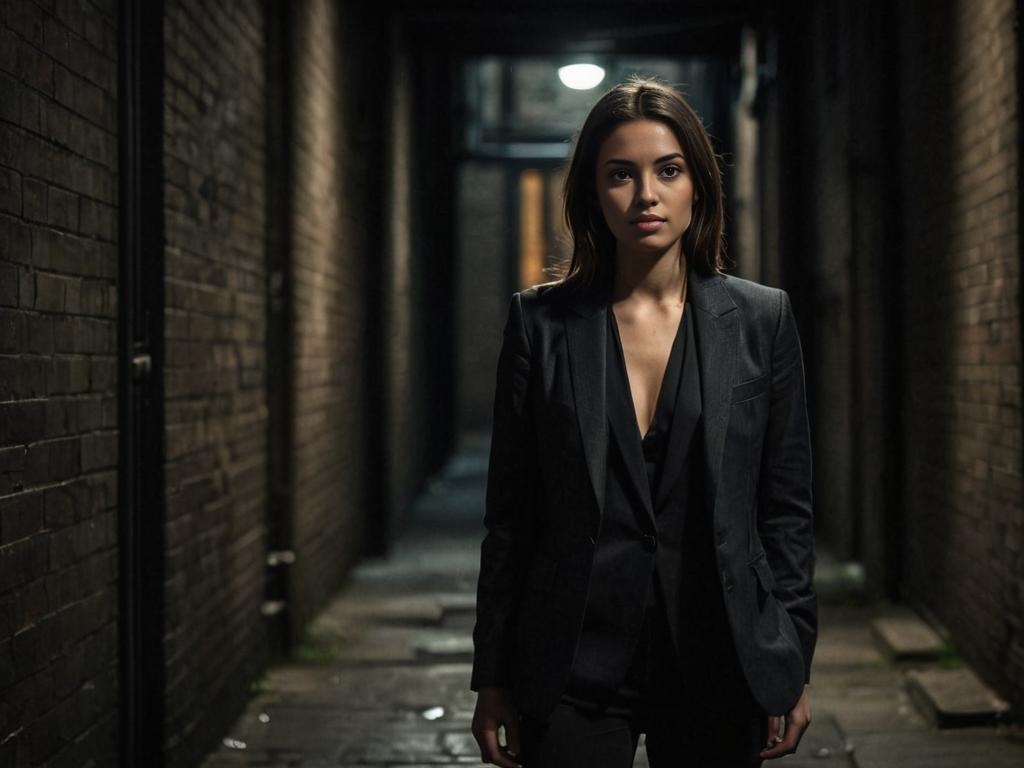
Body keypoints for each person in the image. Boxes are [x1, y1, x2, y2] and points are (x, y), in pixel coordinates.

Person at [470, 77, 816, 768]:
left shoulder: (760, 320)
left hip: (718, 657)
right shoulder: (541, 325)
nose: (646, 195)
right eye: (620, 175)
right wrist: (493, 675)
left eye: (668, 170)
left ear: (699, 186)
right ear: (594, 194)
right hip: (572, 662)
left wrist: (790, 657)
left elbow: (785, 512)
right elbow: (512, 514)